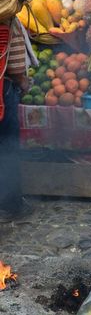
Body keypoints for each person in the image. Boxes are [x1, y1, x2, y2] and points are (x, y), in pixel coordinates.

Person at [0, 18, 33, 222]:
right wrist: (23, 82)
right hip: (4, 90)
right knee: (6, 147)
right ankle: (9, 206)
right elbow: (15, 66)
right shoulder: (7, 19)